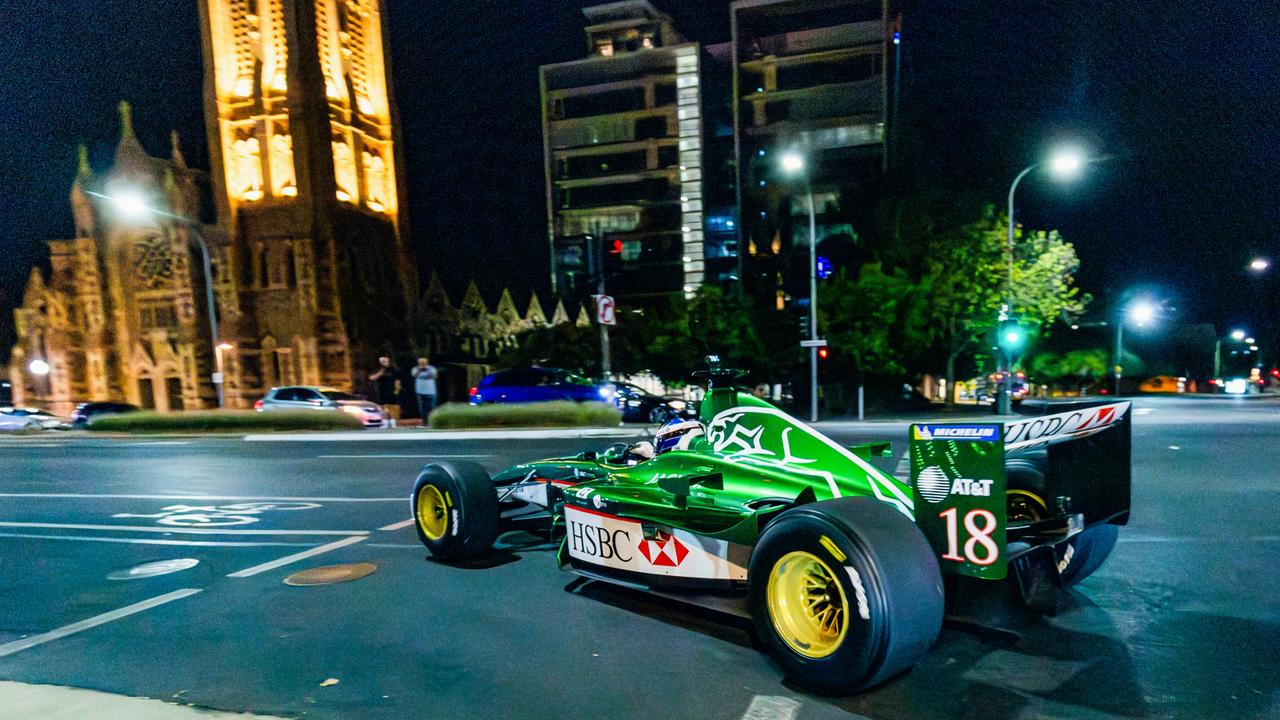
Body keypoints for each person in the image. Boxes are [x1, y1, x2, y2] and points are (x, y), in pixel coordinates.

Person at [368, 356, 399, 421]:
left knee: (392, 406)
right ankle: (384, 421)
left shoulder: (392, 369)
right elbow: (371, 378)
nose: (386, 363)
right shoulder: (376, 369)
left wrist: (397, 389)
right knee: (381, 406)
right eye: (384, 362)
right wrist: (380, 373)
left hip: (391, 390)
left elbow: (397, 379)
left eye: (387, 361)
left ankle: (393, 421)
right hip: (380, 390)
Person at [411, 357, 439, 422]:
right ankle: (424, 421)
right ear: (419, 363)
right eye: (421, 362)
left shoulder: (432, 368)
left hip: (431, 391)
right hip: (420, 391)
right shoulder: (415, 369)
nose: (422, 364)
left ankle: (432, 421)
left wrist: (427, 370)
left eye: (424, 362)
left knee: (432, 407)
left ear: (427, 362)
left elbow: (434, 376)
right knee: (422, 408)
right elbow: (414, 375)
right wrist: (419, 370)